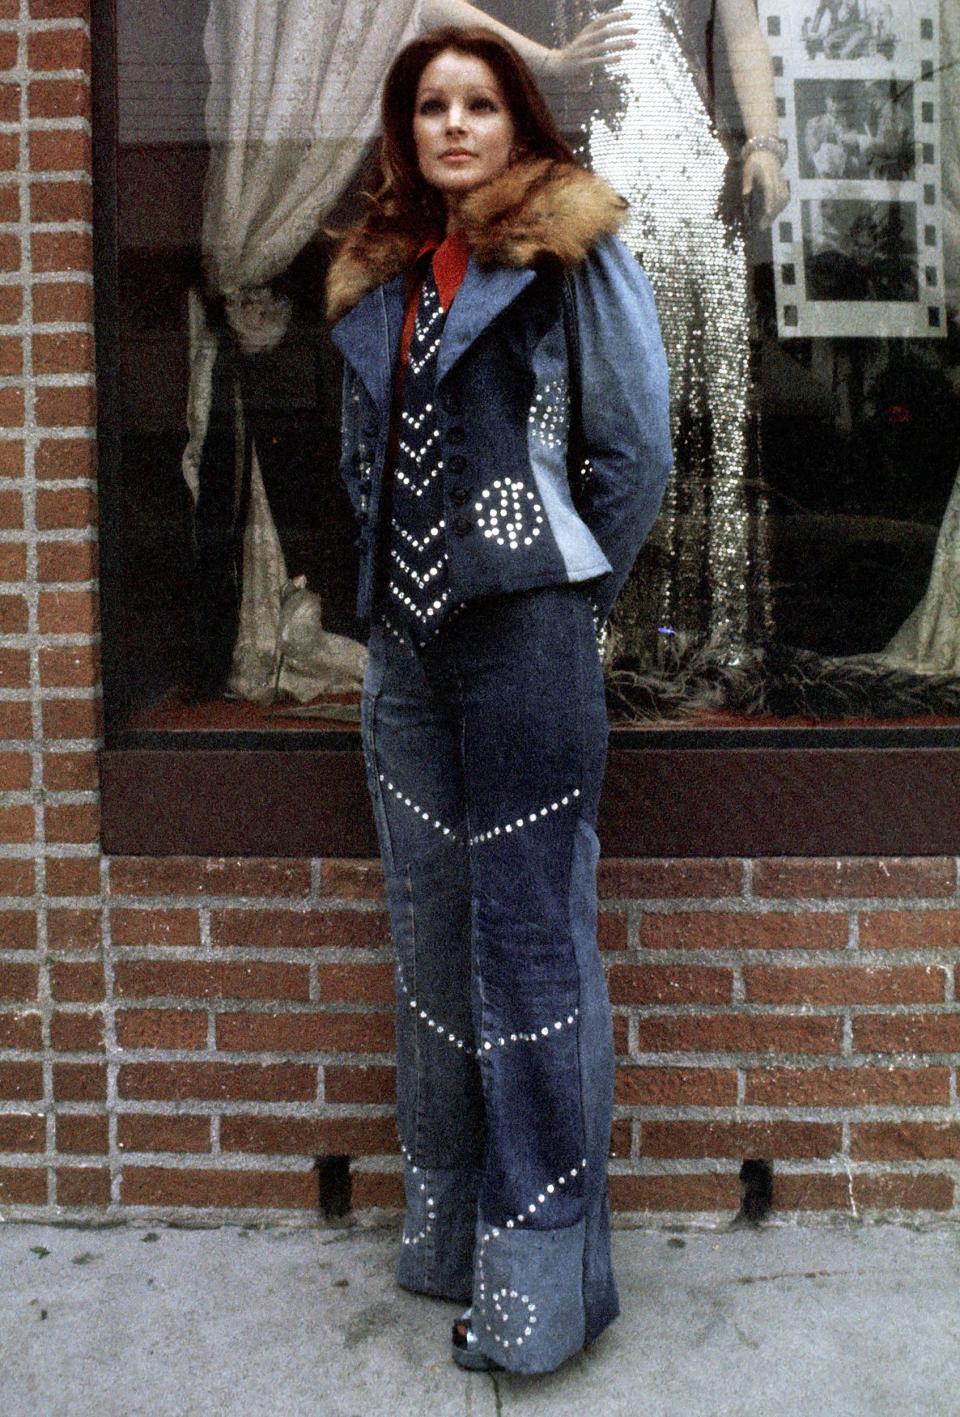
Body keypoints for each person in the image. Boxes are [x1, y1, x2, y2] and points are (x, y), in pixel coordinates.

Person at [325, 24, 672, 1376]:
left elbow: (631, 449)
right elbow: (365, 462)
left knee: (529, 955)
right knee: (432, 945)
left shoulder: (572, 253)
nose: (453, 125)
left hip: (528, 643)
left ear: (518, 121)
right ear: (407, 131)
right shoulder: (388, 281)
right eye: (431, 106)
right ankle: (452, 1237)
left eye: (479, 103)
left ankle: (542, 1287)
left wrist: (562, 590)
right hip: (405, 661)